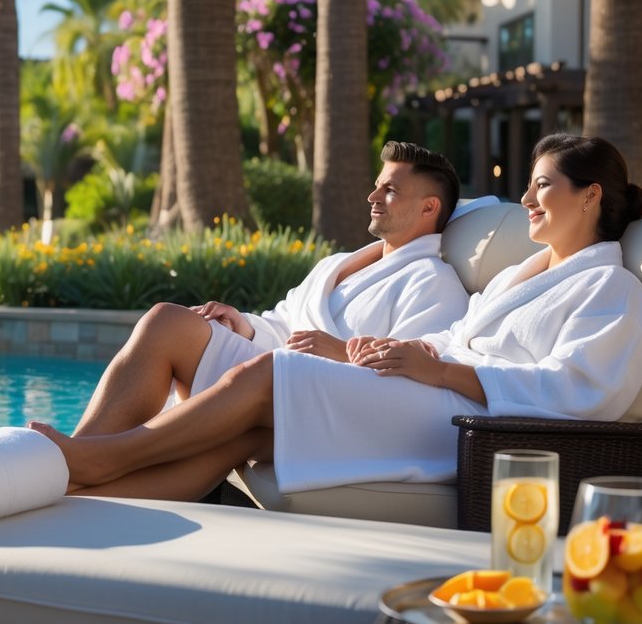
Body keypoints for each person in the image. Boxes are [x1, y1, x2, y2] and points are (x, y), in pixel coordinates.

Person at [30, 134, 642, 502]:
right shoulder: (519, 277)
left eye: (542, 186)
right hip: (435, 400)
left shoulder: (614, 291)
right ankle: (95, 495)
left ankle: (100, 458)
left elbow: (579, 395)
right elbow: (451, 340)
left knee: (273, 378)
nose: (526, 199)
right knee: (258, 426)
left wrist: (442, 374)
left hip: (474, 430)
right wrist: (371, 352)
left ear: (591, 195)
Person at [72, 140, 470, 438]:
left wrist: (341, 355)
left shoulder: (433, 283)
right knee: (167, 320)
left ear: (429, 207)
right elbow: (284, 322)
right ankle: (83, 447)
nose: (372, 197)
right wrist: (242, 326)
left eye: (390, 190)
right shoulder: (340, 264)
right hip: (271, 371)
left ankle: (79, 459)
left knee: (170, 326)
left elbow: (415, 387)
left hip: (320, 399)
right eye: (377, 185)